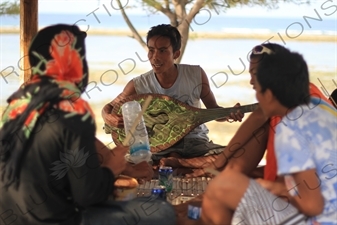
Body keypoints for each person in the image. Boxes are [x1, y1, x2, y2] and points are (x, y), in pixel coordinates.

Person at [0, 24, 175, 225]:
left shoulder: (18, 107)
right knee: (161, 211)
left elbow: (80, 149)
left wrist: (121, 167)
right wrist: (112, 167)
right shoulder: (73, 113)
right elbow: (88, 195)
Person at [201, 44, 337, 224]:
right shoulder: (313, 106)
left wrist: (272, 188)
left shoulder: (293, 127)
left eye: (257, 82)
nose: (252, 84)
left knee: (220, 189)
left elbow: (311, 204)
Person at [102, 24, 244, 163]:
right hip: (158, 149)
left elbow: (213, 110)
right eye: (151, 50)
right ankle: (182, 162)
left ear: (176, 53)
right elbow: (109, 107)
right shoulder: (139, 84)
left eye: (163, 50)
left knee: (237, 156)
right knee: (119, 162)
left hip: (195, 144)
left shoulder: (196, 74)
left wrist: (229, 114)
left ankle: (177, 162)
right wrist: (109, 118)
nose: (155, 57)